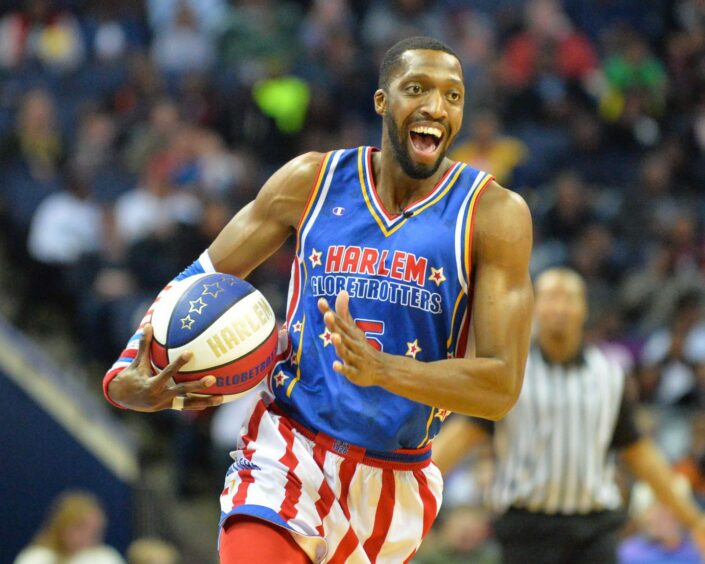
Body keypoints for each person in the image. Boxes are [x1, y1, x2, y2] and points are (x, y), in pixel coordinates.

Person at [104, 36, 534, 563]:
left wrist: (383, 369)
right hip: (287, 450)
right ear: (382, 102)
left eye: (453, 96)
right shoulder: (313, 180)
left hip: (392, 483)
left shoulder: (494, 215)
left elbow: (500, 386)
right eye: (417, 89)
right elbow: (205, 274)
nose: (434, 107)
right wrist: (129, 365)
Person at [432, 268, 705, 564]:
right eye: (550, 297)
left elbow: (641, 455)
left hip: (593, 531)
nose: (559, 307)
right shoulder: (509, 376)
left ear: (584, 308)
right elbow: (461, 438)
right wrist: (404, 485)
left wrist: (694, 521)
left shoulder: (609, 376)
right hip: (526, 530)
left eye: (568, 298)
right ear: (533, 307)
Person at [14, 490, 124, 564]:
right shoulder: (36, 557)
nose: (88, 535)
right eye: (80, 527)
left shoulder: (105, 557)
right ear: (61, 526)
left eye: (95, 530)